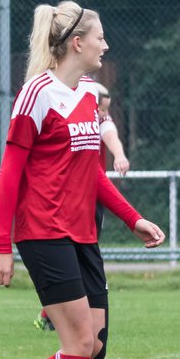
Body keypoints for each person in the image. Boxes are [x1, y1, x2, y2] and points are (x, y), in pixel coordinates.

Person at [0, 1, 165, 359]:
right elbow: (11, 171)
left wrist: (132, 219)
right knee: (79, 342)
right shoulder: (36, 93)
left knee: (92, 347)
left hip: (82, 234)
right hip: (44, 232)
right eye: (100, 37)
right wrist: (2, 245)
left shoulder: (85, 95)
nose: (106, 45)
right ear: (77, 43)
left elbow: (94, 175)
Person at [34, 81, 130, 333]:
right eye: (101, 108)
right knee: (71, 254)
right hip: (69, 200)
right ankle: (53, 311)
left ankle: (53, 312)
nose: (103, 114)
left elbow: (111, 136)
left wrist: (119, 155)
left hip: (92, 198)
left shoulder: (99, 120)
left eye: (106, 110)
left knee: (82, 254)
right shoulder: (63, 111)